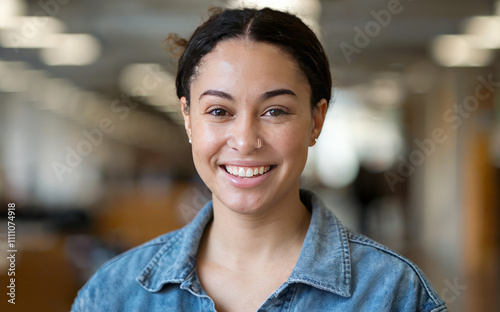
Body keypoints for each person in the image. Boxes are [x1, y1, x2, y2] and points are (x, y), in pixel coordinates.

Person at [72, 7, 448, 312]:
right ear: (188, 118)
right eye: (219, 111)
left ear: (316, 120)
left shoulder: (392, 294)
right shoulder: (113, 294)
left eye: (275, 111)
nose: (245, 141)